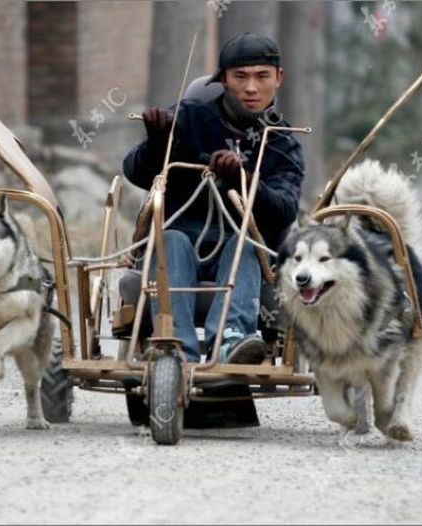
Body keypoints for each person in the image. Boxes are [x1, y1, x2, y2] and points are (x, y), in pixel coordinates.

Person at [122, 32, 305, 364]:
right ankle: (175, 346)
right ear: (223, 80)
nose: (251, 88)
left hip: (245, 254)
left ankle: (232, 339)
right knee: (171, 238)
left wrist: (243, 180)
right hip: (182, 244)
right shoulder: (191, 116)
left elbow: (285, 211)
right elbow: (136, 174)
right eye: (240, 77)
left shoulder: (283, 142)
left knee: (245, 242)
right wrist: (157, 144)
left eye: (262, 76)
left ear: (278, 78)